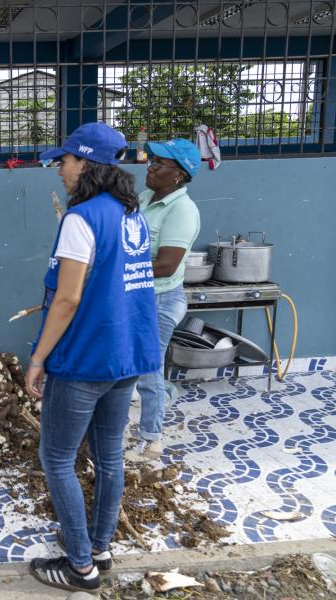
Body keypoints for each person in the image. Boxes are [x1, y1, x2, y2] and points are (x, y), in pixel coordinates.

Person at [24, 123, 160, 594]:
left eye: (64, 160)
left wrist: (38, 357)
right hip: (126, 357)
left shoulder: (81, 218)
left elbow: (67, 300)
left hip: (84, 359)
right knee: (108, 458)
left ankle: (80, 567)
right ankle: (100, 548)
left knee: (57, 458)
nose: (59, 168)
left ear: (86, 164)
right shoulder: (130, 214)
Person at [126, 139, 202, 463]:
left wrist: (117, 269)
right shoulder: (144, 198)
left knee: (148, 369)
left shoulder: (183, 210)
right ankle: (161, 395)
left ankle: (152, 441)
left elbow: (167, 264)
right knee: (138, 366)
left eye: (160, 163)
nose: (151, 167)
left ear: (179, 175)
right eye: (151, 160)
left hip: (159, 300)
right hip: (135, 293)